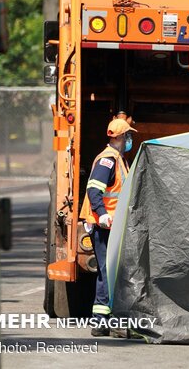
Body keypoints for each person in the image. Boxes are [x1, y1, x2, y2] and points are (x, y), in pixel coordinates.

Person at [79, 115, 137, 337]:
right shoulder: (108, 160)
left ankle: (106, 320)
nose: (130, 139)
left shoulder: (120, 160)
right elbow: (94, 190)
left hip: (113, 226)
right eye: (129, 135)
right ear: (122, 137)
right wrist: (102, 214)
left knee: (111, 272)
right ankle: (101, 322)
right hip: (105, 226)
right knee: (107, 271)